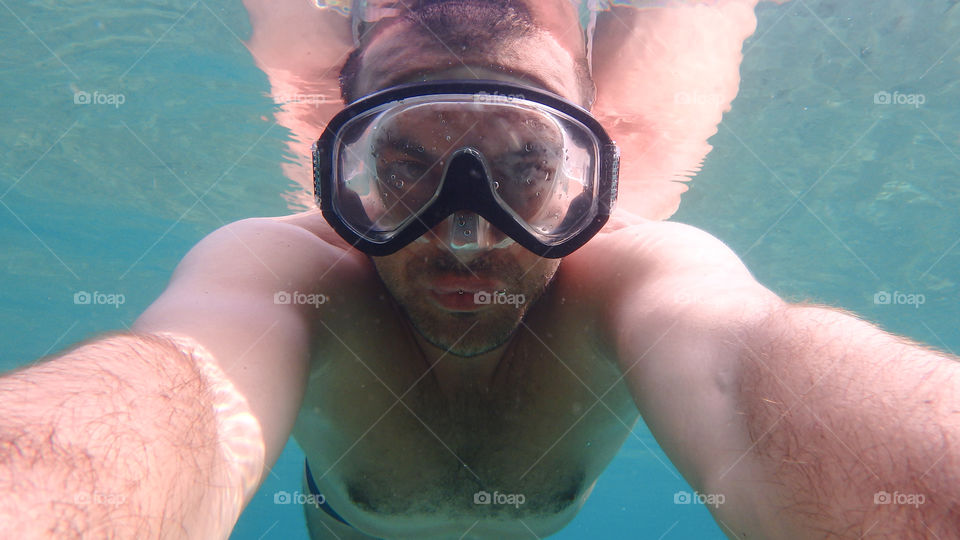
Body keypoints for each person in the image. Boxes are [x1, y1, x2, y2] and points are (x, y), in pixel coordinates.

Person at [1, 1, 958, 539]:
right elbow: (186, 393)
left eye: (527, 167)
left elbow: (745, 361)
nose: (465, 235)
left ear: (593, 177)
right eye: (405, 165)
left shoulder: (629, 274)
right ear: (345, 173)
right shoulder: (294, 273)